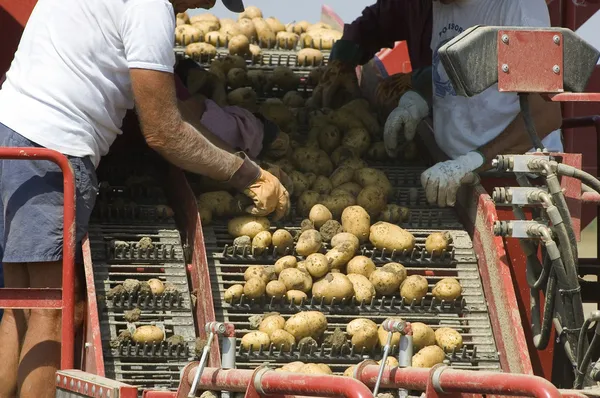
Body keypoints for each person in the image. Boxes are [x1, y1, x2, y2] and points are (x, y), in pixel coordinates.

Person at [0, 1, 289, 398]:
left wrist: (239, 160)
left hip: (11, 136)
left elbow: (178, 112)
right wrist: (248, 176)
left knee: (19, 305)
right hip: (54, 151)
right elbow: (164, 131)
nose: (205, 6)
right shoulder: (151, 8)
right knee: (51, 314)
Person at [313, 0, 563, 208]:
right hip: (453, 175)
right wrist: (417, 100)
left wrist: (472, 162)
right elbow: (447, 72)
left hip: (511, 185)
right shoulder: (441, 3)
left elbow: (546, 116)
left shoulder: (520, 7)